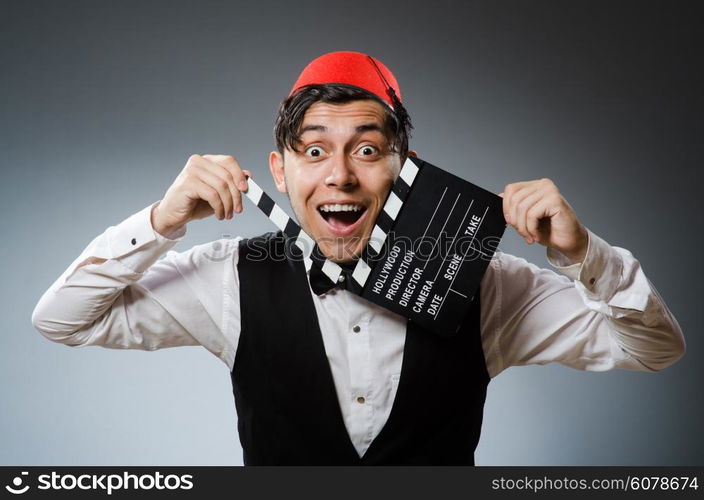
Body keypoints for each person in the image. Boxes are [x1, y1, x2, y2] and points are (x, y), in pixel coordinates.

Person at [31, 51, 685, 465]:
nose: (340, 176)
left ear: (408, 169)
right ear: (280, 172)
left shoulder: (486, 286)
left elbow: (657, 349)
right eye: (315, 151)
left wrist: (585, 253)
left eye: (368, 150)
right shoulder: (229, 277)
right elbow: (62, 319)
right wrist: (160, 220)